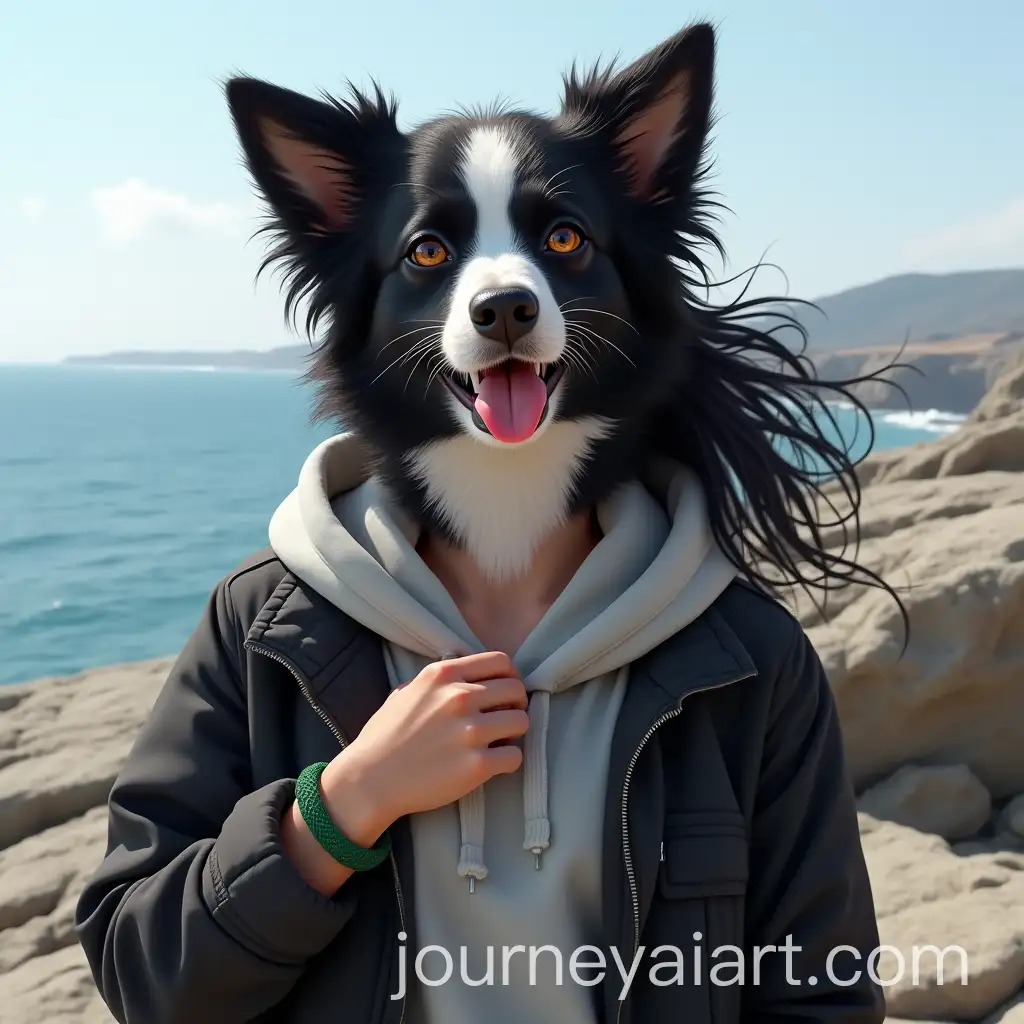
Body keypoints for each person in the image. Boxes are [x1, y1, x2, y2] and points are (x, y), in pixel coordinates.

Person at [75, 22, 896, 1024]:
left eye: (562, 239)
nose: (504, 291)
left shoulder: (746, 659)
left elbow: (820, 999)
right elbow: (142, 976)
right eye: (430, 248)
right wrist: (341, 809)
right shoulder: (263, 630)